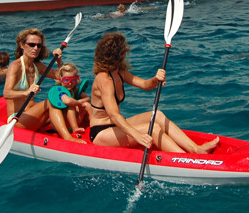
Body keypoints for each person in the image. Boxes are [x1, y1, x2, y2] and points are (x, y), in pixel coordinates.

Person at [88, 32, 219, 153]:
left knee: (157, 116)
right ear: (118, 55)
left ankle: (195, 149)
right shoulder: (104, 79)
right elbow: (114, 115)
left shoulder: (119, 72)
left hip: (115, 127)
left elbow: (145, 85)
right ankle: (184, 159)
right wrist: (137, 135)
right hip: (101, 133)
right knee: (153, 129)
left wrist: (156, 79)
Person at [3, 28, 62, 131]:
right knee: (51, 102)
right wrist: (26, 92)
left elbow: (61, 77)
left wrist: (59, 62)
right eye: (31, 45)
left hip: (31, 116)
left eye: (38, 45)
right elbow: (6, 93)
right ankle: (67, 137)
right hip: (16, 119)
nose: (35, 48)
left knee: (65, 104)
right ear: (22, 45)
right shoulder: (16, 66)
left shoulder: (37, 66)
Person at [47, 63, 91, 143]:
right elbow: (69, 101)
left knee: (87, 105)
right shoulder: (58, 91)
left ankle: (94, 126)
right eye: (66, 80)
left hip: (73, 121)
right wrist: (76, 103)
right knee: (71, 105)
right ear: (60, 79)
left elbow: (88, 98)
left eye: (73, 80)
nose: (70, 83)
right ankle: (75, 129)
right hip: (61, 124)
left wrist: (79, 102)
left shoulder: (75, 90)